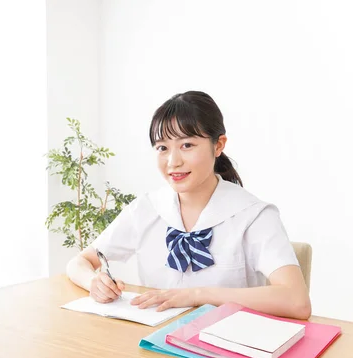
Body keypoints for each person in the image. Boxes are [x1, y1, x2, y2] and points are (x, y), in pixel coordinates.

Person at [65, 91, 311, 319]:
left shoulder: (253, 214)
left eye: (187, 145)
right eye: (162, 148)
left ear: (218, 145)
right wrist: (94, 283)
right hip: (157, 345)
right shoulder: (147, 208)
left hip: (228, 347)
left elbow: (296, 301)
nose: (173, 161)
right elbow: (79, 263)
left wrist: (197, 295)